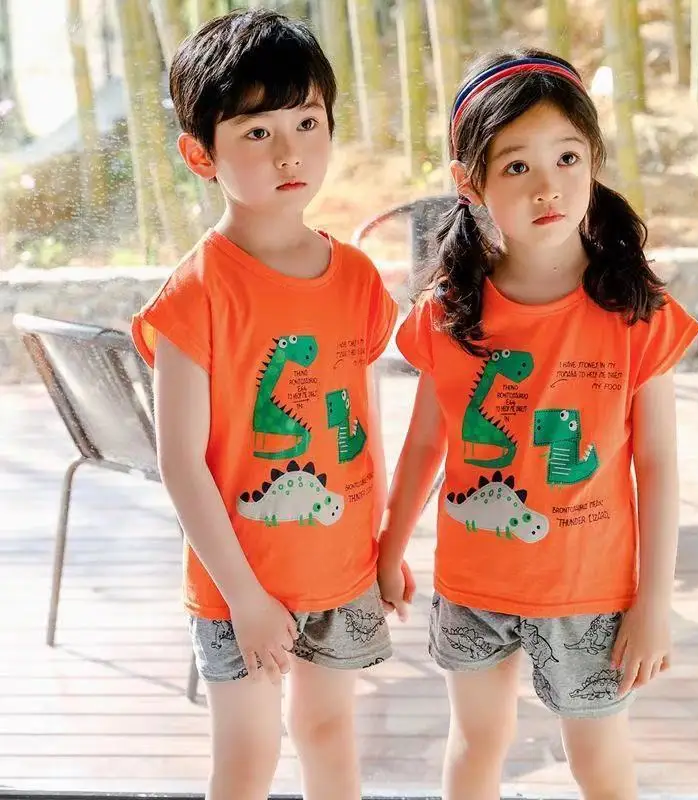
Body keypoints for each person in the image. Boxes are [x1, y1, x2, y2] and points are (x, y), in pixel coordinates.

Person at [377, 48, 698, 800]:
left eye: (567, 157)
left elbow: (657, 467)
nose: (547, 186)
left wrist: (654, 605)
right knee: (475, 746)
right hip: (472, 583)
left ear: (594, 161)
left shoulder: (637, 313)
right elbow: (426, 441)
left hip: (592, 591)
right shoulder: (447, 313)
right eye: (517, 166)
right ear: (471, 183)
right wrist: (390, 548)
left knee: (598, 765)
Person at [130, 10, 399, 799]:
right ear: (199, 155)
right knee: (247, 757)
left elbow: (364, 427)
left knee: (331, 734)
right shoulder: (196, 293)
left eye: (307, 122)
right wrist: (246, 599)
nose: (290, 152)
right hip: (237, 586)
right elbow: (180, 463)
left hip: (344, 569)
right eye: (257, 132)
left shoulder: (357, 278)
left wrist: (384, 546)